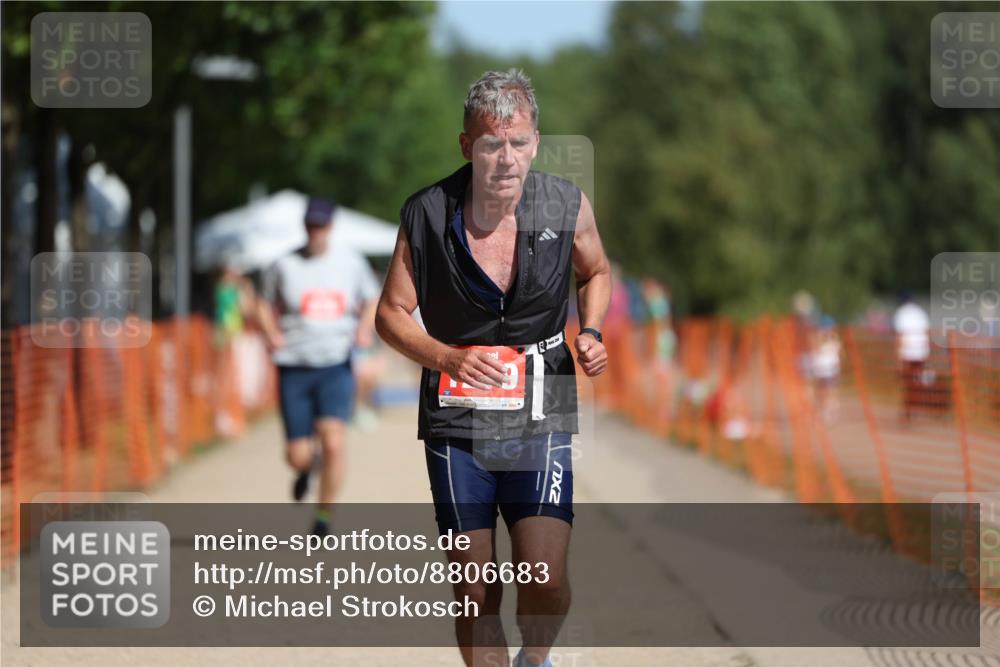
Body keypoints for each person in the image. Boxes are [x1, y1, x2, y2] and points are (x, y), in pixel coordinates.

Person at [375, 69, 611, 667]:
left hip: (544, 404)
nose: (506, 159)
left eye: (518, 143)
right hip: (458, 418)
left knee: (544, 579)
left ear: (536, 143)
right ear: (466, 146)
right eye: (490, 145)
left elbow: (596, 272)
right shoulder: (427, 213)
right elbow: (390, 314)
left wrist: (590, 331)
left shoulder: (566, 204)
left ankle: (536, 656)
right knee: (475, 590)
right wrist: (446, 356)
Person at [257, 196, 380, 535]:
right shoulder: (284, 264)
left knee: (334, 442)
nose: (316, 231)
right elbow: (262, 302)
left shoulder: (351, 262)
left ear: (331, 226)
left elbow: (371, 299)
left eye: (321, 225)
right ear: (304, 226)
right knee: (296, 456)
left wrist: (364, 329)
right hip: (294, 367)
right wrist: (270, 333)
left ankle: (324, 514)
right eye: (311, 225)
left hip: (335, 364)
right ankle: (307, 469)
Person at [893, 290, 931, 424]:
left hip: (907, 353)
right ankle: (913, 409)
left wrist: (897, 355)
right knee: (916, 382)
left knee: (908, 383)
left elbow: (900, 335)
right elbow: (927, 333)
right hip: (921, 352)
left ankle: (909, 412)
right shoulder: (921, 312)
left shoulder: (901, 313)